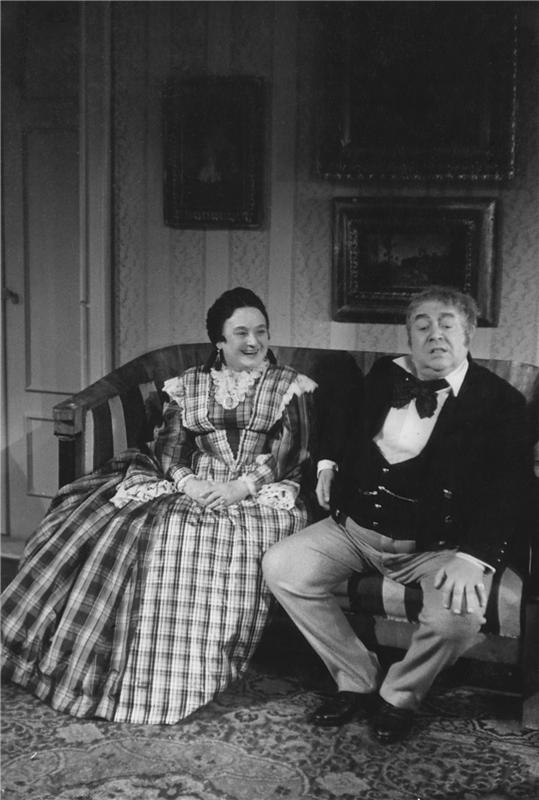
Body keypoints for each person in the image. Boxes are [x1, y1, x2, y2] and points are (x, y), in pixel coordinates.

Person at [1, 287, 316, 725]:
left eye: (261, 332)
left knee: (195, 539)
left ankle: (172, 683)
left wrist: (238, 489)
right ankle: (116, 673)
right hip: (195, 484)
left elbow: (291, 453)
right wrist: (189, 482)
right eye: (241, 333)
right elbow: (170, 448)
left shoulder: (289, 386)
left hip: (259, 490)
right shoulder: (189, 384)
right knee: (120, 524)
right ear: (219, 341)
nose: (253, 342)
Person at [263, 285, 535, 744]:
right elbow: (344, 420)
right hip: (355, 531)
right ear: (409, 336)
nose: (435, 335)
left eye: (447, 324)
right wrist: (327, 464)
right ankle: (356, 677)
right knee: (281, 566)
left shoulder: (500, 402)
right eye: (422, 326)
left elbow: (511, 489)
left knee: (456, 619)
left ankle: (399, 695)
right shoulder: (384, 374)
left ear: (468, 334)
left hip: (437, 547)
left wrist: (475, 558)